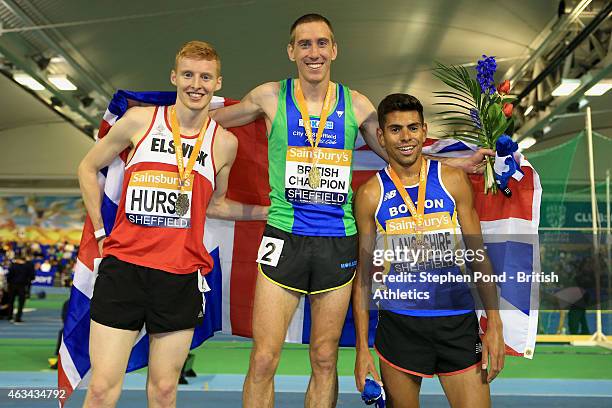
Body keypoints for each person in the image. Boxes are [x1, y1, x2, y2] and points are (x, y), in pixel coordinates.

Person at [209, 13, 493, 408]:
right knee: (263, 358)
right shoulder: (270, 96)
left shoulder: (356, 104)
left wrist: (457, 163)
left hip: (337, 243)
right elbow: (203, 125)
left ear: (334, 50)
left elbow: (400, 149)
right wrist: (155, 123)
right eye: (305, 44)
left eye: (322, 43)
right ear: (291, 51)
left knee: (325, 358)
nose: (314, 52)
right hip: (284, 236)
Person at [77, 40, 267, 408]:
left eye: (206, 77)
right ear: (174, 77)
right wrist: (100, 230)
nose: (197, 84)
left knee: (164, 392)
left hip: (180, 277)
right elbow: (86, 167)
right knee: (101, 389)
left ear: (217, 83)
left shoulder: (224, 144)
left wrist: (267, 212)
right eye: (189, 75)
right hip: (125, 271)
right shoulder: (140, 121)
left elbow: (217, 206)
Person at [352, 93, 505, 408]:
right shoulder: (369, 195)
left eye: (412, 127)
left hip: (458, 324)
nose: (405, 137)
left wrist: (494, 324)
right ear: (381, 136)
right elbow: (363, 278)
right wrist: (361, 349)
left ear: (424, 130)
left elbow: (478, 256)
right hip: (399, 326)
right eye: (395, 129)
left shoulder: (453, 180)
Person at [5, 249, 36, 323]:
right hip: (22, 286)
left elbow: (9, 276)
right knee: (21, 303)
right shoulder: (27, 266)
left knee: (11, 301)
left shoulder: (13, 266)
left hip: (12, 285)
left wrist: (9, 283)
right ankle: (18, 317)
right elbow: (31, 276)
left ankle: (10, 316)